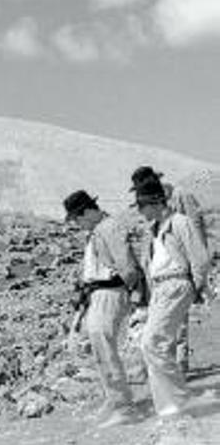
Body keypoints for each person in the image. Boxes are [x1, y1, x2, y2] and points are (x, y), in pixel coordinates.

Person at [63, 190, 144, 427]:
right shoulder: (98, 230)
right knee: (99, 349)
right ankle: (114, 398)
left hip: (108, 293)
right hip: (98, 294)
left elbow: (126, 265)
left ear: (87, 212)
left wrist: (131, 291)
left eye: (78, 219)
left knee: (105, 348)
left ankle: (124, 406)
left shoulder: (108, 228)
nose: (77, 225)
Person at [133, 181, 211, 418]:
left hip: (175, 284)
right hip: (160, 288)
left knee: (152, 342)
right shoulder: (156, 227)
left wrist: (194, 286)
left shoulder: (180, 222)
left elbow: (200, 258)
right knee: (159, 346)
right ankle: (171, 403)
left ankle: (176, 401)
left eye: (141, 206)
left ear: (155, 203)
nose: (140, 212)